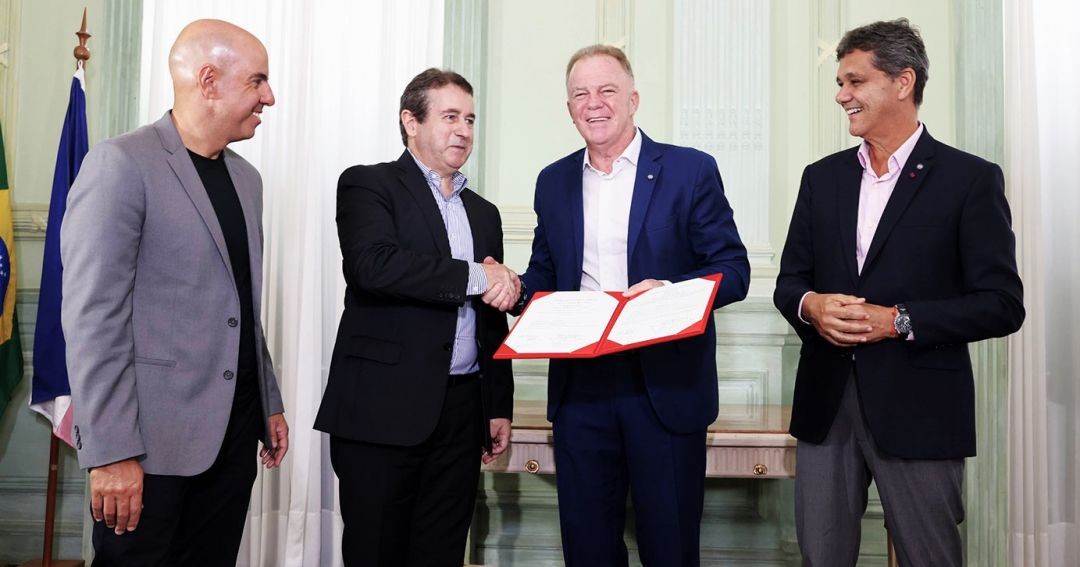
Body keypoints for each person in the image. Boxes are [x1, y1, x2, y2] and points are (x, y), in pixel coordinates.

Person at [773, 19, 1024, 567]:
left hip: (922, 411)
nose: (842, 95)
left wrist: (899, 321)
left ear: (903, 82)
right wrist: (810, 306)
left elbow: (1002, 303)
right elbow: (790, 282)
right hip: (825, 407)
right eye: (840, 83)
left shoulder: (969, 180)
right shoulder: (822, 178)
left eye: (854, 81)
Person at [61, 19, 289, 566]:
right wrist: (112, 453)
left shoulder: (247, 181)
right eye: (257, 82)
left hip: (233, 441)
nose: (270, 97)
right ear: (208, 81)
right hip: (147, 448)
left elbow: (241, 306)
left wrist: (269, 402)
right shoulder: (120, 165)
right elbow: (93, 319)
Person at [516, 45, 750, 566]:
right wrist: (511, 288)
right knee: (588, 548)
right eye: (580, 93)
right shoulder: (552, 181)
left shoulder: (690, 170)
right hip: (580, 391)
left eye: (606, 91)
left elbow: (733, 270)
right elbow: (544, 278)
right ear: (569, 106)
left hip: (664, 388)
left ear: (633, 99)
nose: (593, 103)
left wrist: (668, 291)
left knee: (668, 549)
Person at [314, 68, 516, 566]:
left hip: (463, 413)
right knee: (376, 552)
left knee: (442, 554)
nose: (464, 130)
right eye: (450, 116)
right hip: (382, 414)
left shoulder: (484, 213)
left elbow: (492, 319)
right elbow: (373, 266)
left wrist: (498, 404)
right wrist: (479, 277)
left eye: (470, 119)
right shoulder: (368, 183)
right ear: (411, 121)